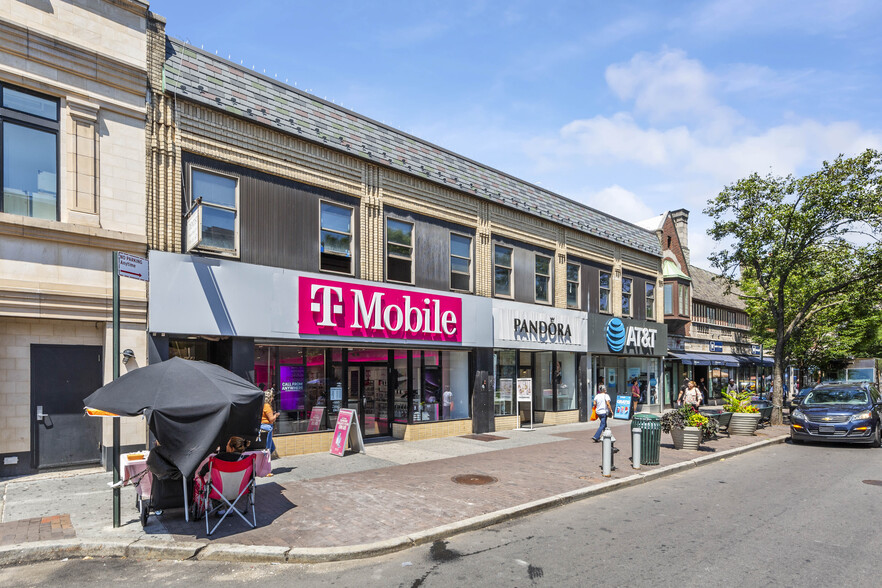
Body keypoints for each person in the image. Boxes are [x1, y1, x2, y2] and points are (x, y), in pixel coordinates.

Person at [261, 388, 280, 467]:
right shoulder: (267, 406)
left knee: (272, 448)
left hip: (264, 426)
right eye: (272, 397)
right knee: (267, 449)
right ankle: (265, 468)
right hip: (267, 427)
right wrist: (276, 415)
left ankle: (263, 466)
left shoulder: (263, 405)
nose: (273, 398)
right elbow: (271, 419)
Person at [593, 377, 613, 443]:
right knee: (602, 424)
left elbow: (594, 403)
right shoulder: (606, 395)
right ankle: (596, 436)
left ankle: (606, 435)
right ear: (604, 389)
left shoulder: (597, 396)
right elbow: (608, 404)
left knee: (604, 423)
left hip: (598, 412)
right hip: (603, 412)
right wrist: (611, 410)